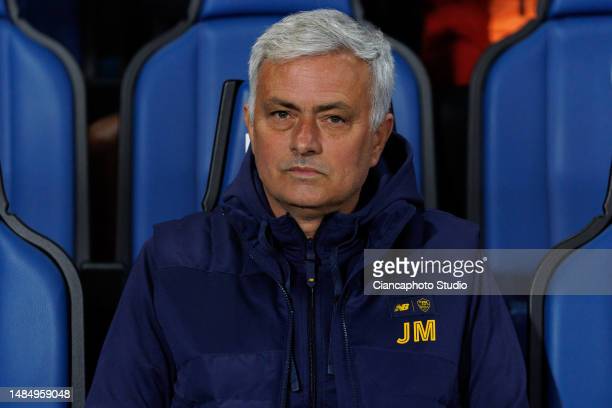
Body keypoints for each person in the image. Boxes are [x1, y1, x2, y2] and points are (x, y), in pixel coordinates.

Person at [86, 9, 527, 407]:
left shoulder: (450, 259)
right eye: (282, 114)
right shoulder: (172, 263)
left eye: (333, 118)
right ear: (250, 125)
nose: (304, 142)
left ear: (378, 138)